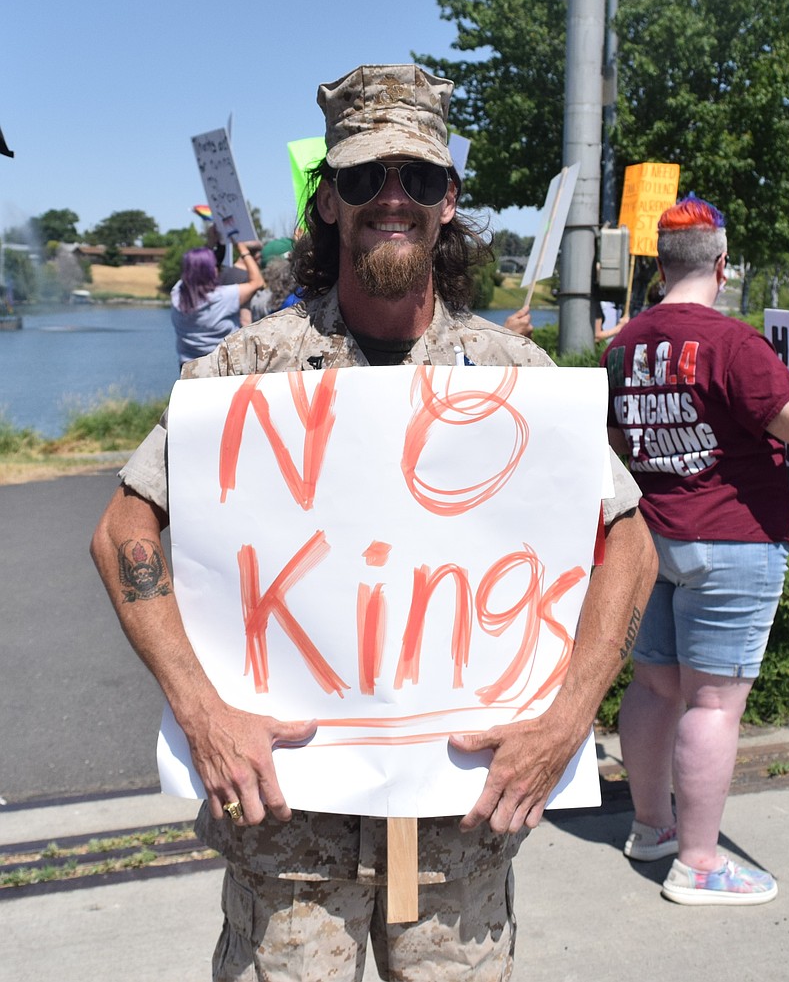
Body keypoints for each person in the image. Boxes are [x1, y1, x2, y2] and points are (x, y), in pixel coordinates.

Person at [91, 63, 656, 981]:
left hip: (462, 831)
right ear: (328, 203)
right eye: (363, 179)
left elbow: (630, 546)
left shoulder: (513, 377)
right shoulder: (249, 371)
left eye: (417, 178)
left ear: (448, 200)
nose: (391, 199)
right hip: (290, 840)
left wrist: (567, 718)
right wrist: (203, 712)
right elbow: (123, 533)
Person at [603, 193, 789, 907]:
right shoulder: (732, 343)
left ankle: (652, 826)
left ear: (660, 266)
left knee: (654, 689)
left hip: (656, 535)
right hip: (734, 539)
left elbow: (619, 441)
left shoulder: (623, 343)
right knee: (713, 705)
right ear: (721, 265)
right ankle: (700, 861)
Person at [170, 242, 264, 366]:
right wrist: (243, 250)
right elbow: (257, 282)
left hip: (188, 367)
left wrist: (211, 241)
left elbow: (193, 268)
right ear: (210, 270)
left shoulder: (177, 295)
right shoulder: (222, 297)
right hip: (221, 365)